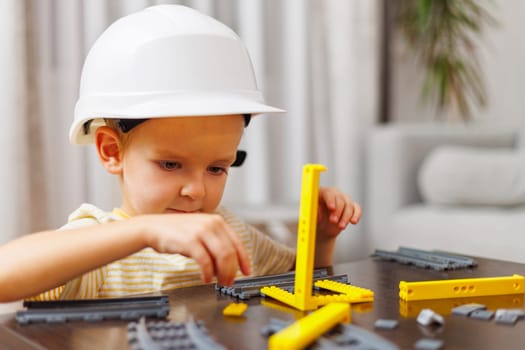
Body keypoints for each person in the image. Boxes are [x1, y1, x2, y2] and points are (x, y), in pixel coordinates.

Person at [0, 5, 361, 302]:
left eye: (217, 168)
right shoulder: (100, 247)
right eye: (171, 164)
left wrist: (321, 236)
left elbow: (302, 285)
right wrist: (144, 231)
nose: (196, 191)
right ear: (112, 151)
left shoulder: (230, 231)